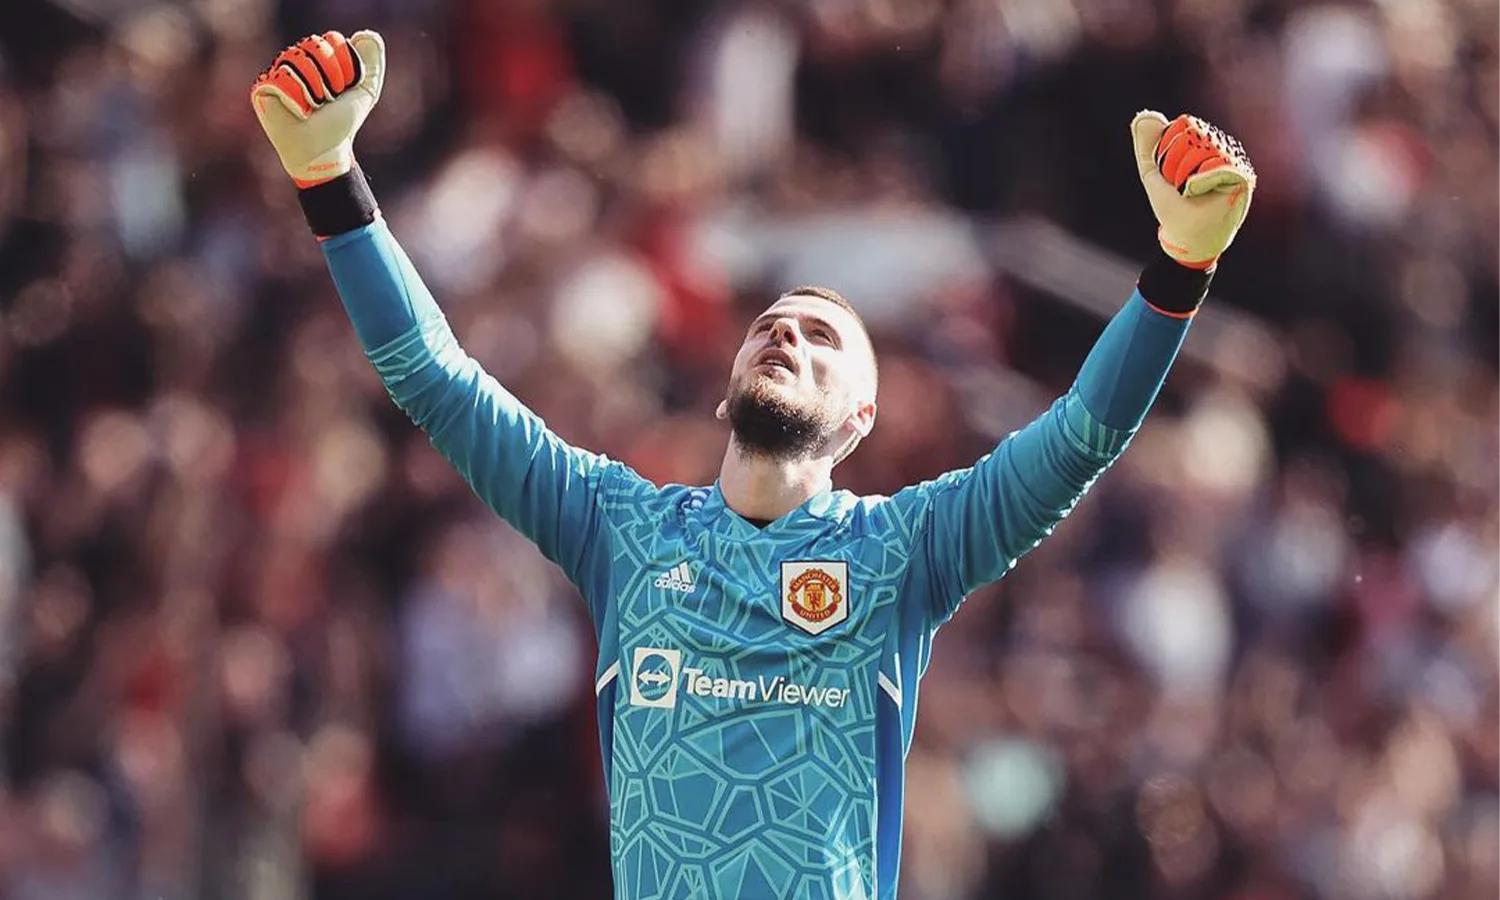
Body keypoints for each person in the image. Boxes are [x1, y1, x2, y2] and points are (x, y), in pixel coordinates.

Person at [250, 29, 1256, 900]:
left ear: (860, 420)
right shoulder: (618, 528)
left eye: (822, 338)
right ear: (724, 390)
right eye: (771, 326)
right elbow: (437, 381)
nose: (786, 336)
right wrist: (330, 178)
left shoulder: (908, 551)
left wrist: (1180, 267)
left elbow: (1079, 438)